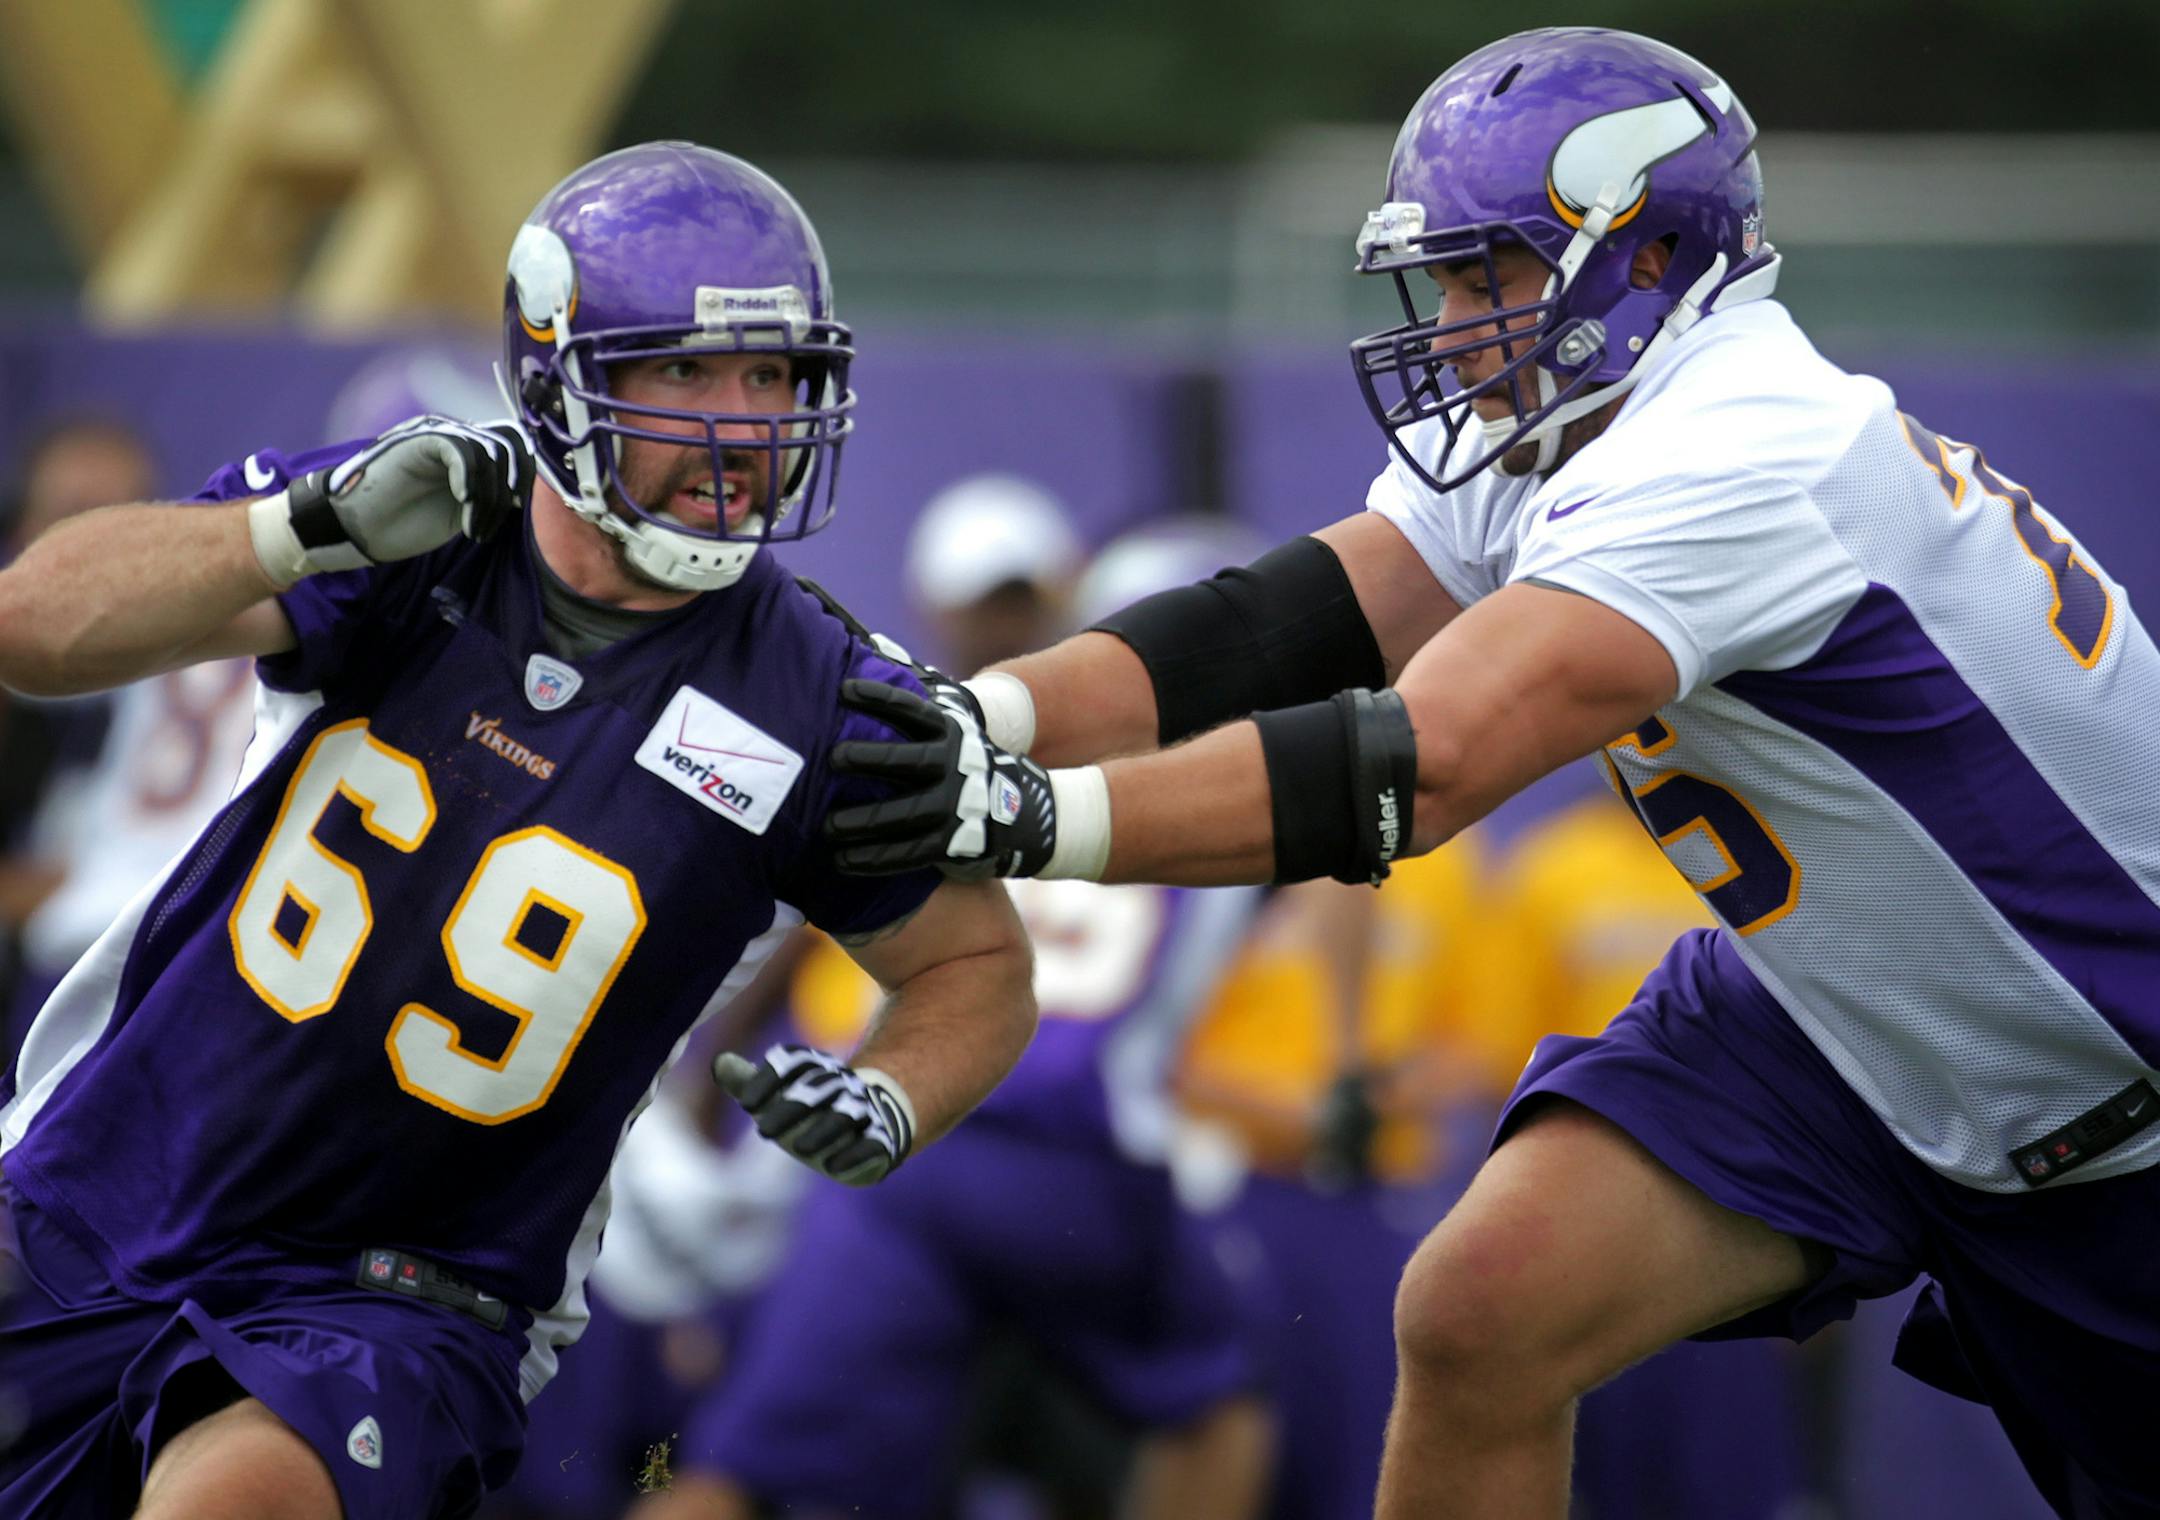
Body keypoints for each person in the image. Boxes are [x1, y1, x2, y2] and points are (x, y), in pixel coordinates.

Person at [818, 27, 2160, 1518]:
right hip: (1846, 1006)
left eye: (1488, 277)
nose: (1454, 327)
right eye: (1446, 280)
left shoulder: (1740, 454)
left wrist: (1026, 822)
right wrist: (981, 721)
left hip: (2105, 1078)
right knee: (1483, 1308)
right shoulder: (1597, 422)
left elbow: (1422, 762)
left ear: (1649, 259)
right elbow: (1291, 623)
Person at [0, 141, 1035, 1520]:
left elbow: (975, 964)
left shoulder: (824, 698)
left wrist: (895, 1092)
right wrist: (291, 529)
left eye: (774, 375)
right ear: (558, 372)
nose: (744, 424)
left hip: (405, 1292)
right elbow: (34, 628)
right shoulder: (416, 527)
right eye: (684, 371)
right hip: (105, 1180)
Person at [635, 510, 1275, 1520]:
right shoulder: (1244, 775)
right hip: (1079, 1158)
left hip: (913, 1135)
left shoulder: (971, 747)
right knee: (1220, 1416)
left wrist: (696, 1078)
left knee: (745, 1470)